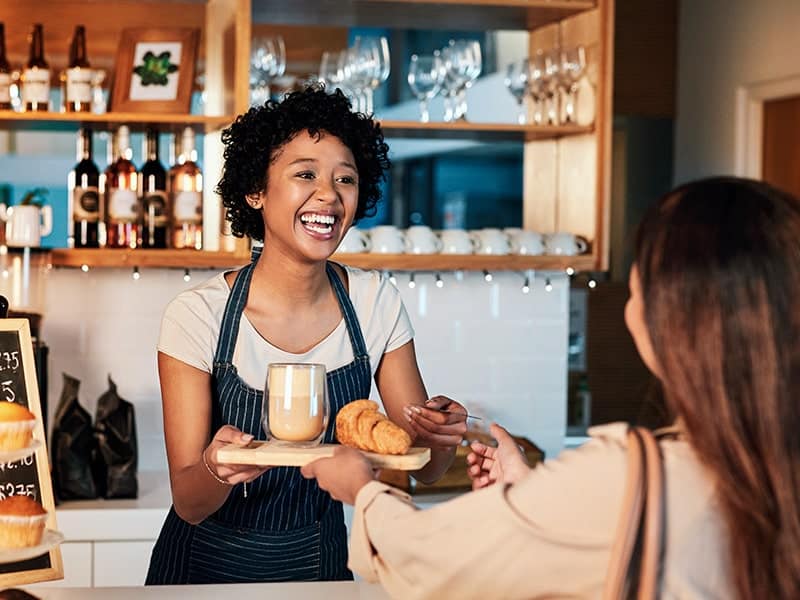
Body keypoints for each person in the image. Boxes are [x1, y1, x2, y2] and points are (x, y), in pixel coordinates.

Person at [302, 177, 800, 599]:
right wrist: (530, 497)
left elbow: (432, 558)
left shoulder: (632, 475)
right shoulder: (768, 467)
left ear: (674, 318)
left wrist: (363, 491)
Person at [146, 86, 467, 585]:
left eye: (346, 179)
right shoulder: (198, 316)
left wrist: (440, 436)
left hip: (319, 568)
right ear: (255, 190)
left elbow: (421, 466)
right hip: (202, 574)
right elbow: (189, 502)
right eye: (305, 174)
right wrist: (217, 467)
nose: (329, 195)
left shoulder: (374, 302)